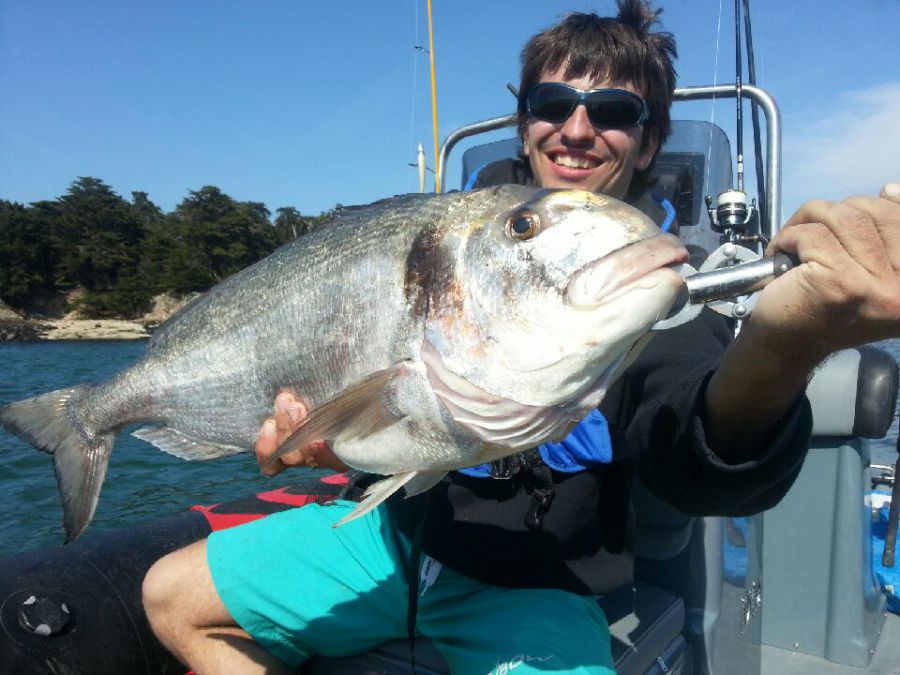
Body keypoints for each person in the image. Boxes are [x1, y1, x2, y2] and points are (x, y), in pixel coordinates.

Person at [142, 2, 900, 673]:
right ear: (526, 119)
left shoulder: (662, 283)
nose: (576, 127)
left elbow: (694, 454)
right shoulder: (445, 239)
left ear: (648, 140)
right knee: (166, 594)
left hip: (541, 584)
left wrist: (783, 344)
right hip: (390, 544)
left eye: (612, 109)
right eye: (554, 102)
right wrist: (331, 432)